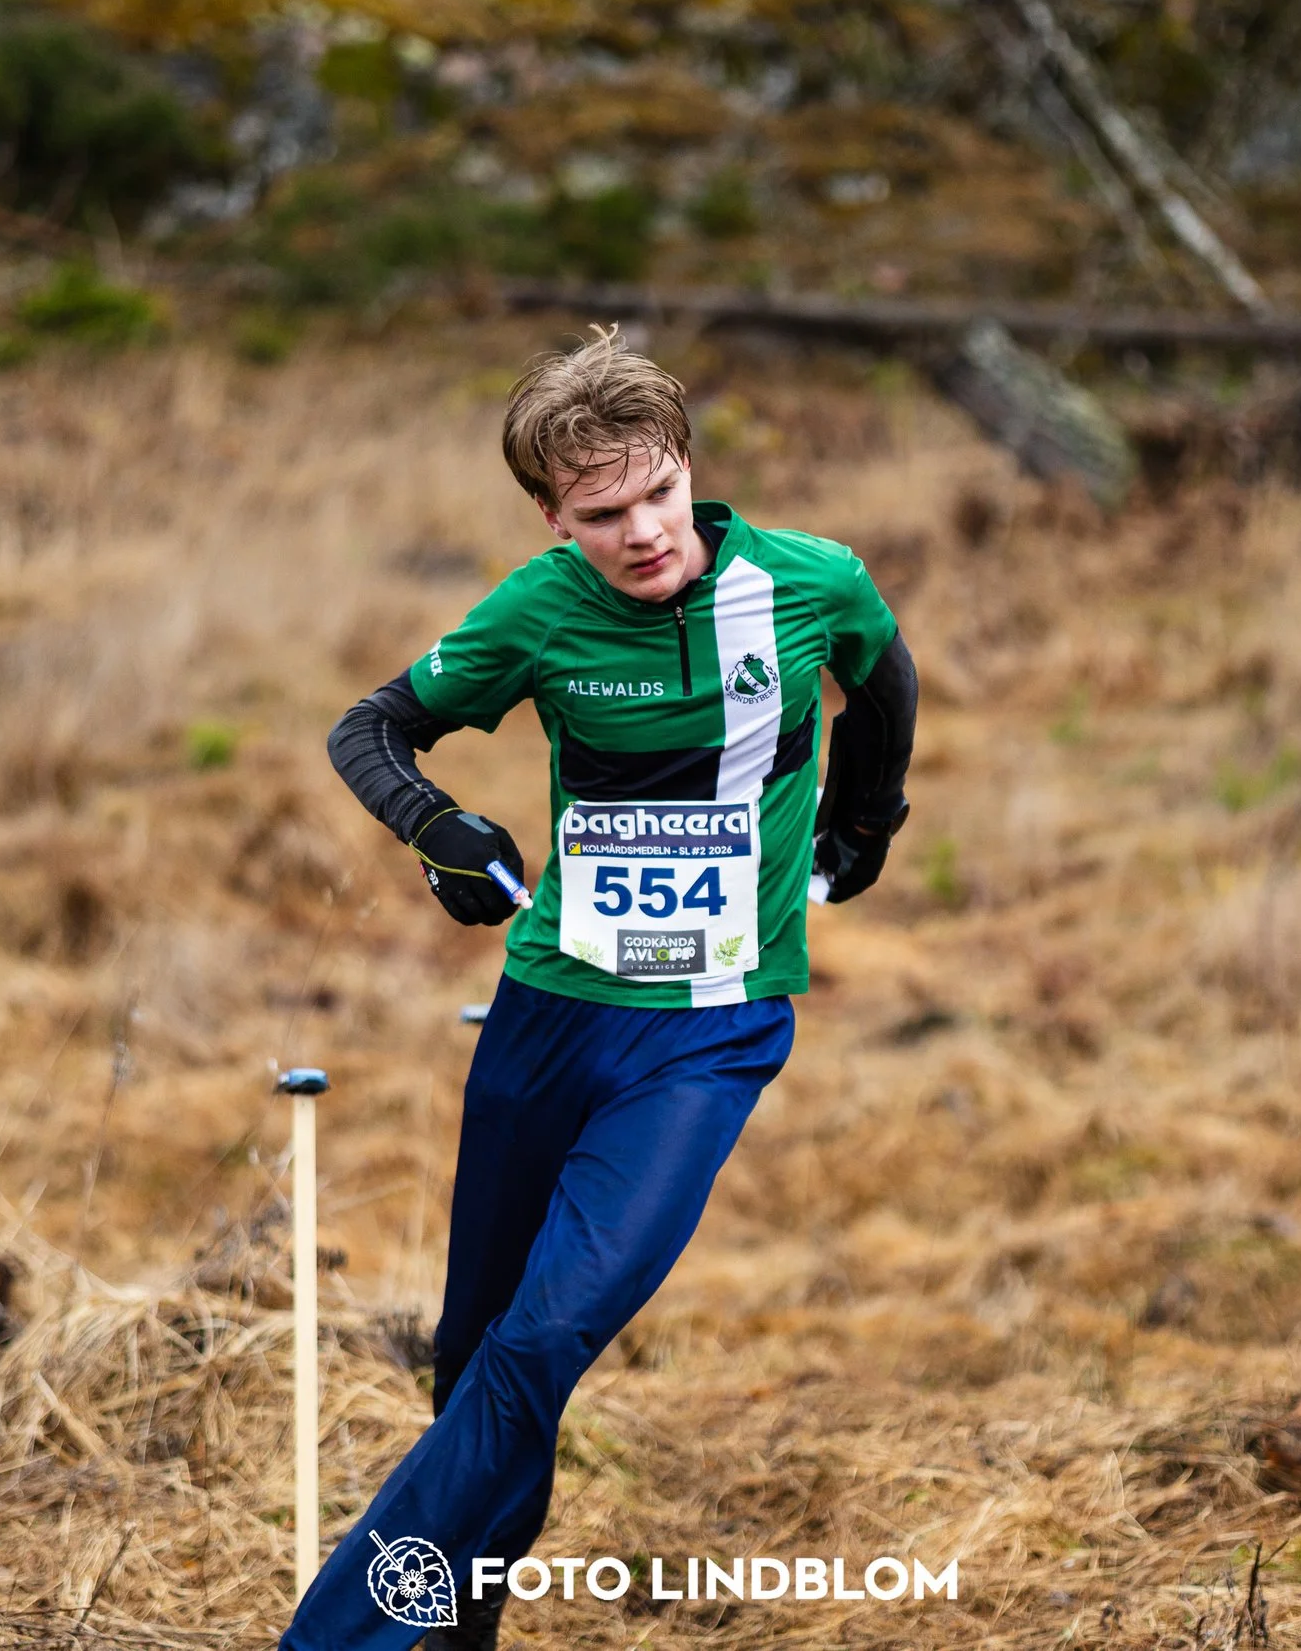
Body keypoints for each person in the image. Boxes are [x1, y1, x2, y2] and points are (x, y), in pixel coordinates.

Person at [294, 327, 917, 1651]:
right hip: (549, 1015)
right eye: (602, 514)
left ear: (688, 468)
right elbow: (371, 729)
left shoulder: (810, 584)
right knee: (475, 1360)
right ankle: (456, 1632)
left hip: (708, 1037)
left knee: (544, 1337)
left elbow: (885, 671)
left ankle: (335, 1640)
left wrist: (871, 815)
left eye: (657, 497)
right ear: (551, 514)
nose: (642, 534)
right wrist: (438, 828)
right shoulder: (536, 609)